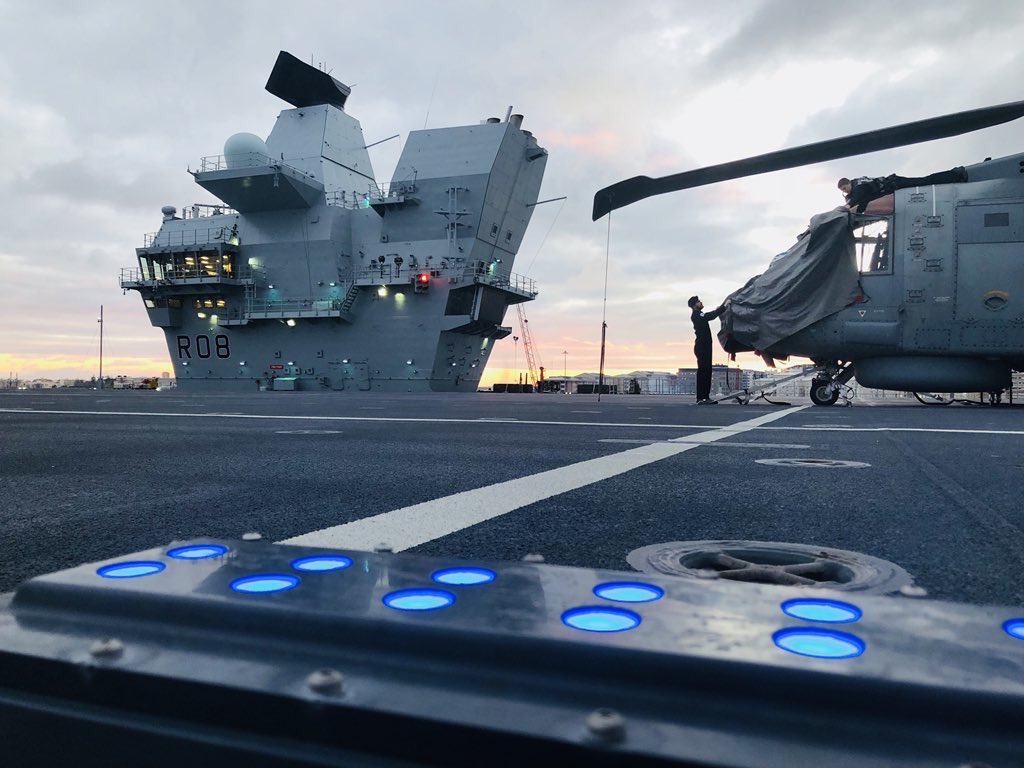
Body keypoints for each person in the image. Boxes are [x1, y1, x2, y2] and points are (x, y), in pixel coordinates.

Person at [838, 166, 967, 213]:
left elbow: (859, 195)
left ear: (848, 182)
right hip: (894, 185)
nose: (845, 191)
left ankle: (955, 174)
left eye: (845, 188)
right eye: (843, 191)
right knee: (924, 181)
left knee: (925, 181)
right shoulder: (858, 186)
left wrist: (848, 205)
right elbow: (864, 201)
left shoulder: (859, 186)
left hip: (896, 184)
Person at [689, 295, 728, 404]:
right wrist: (722, 308)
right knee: (704, 371)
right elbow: (710, 316)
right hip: (702, 346)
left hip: (704, 345)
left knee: (706, 371)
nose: (701, 303)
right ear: (694, 305)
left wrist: (719, 309)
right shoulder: (697, 315)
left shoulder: (698, 314)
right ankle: (702, 397)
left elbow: (709, 315)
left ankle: (704, 397)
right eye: (698, 302)